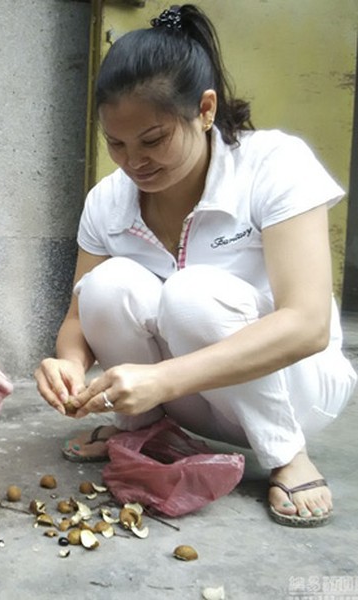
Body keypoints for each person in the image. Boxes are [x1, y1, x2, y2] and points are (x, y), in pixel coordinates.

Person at [34, 3, 356, 527]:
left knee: (192, 293)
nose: (133, 161)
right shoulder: (107, 200)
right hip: (190, 398)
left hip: (295, 389)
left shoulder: (273, 164)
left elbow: (308, 325)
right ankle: (145, 430)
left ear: (205, 110)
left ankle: (285, 453)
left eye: (153, 140)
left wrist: (162, 379)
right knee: (105, 284)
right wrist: (69, 366)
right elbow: (79, 314)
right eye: (115, 143)